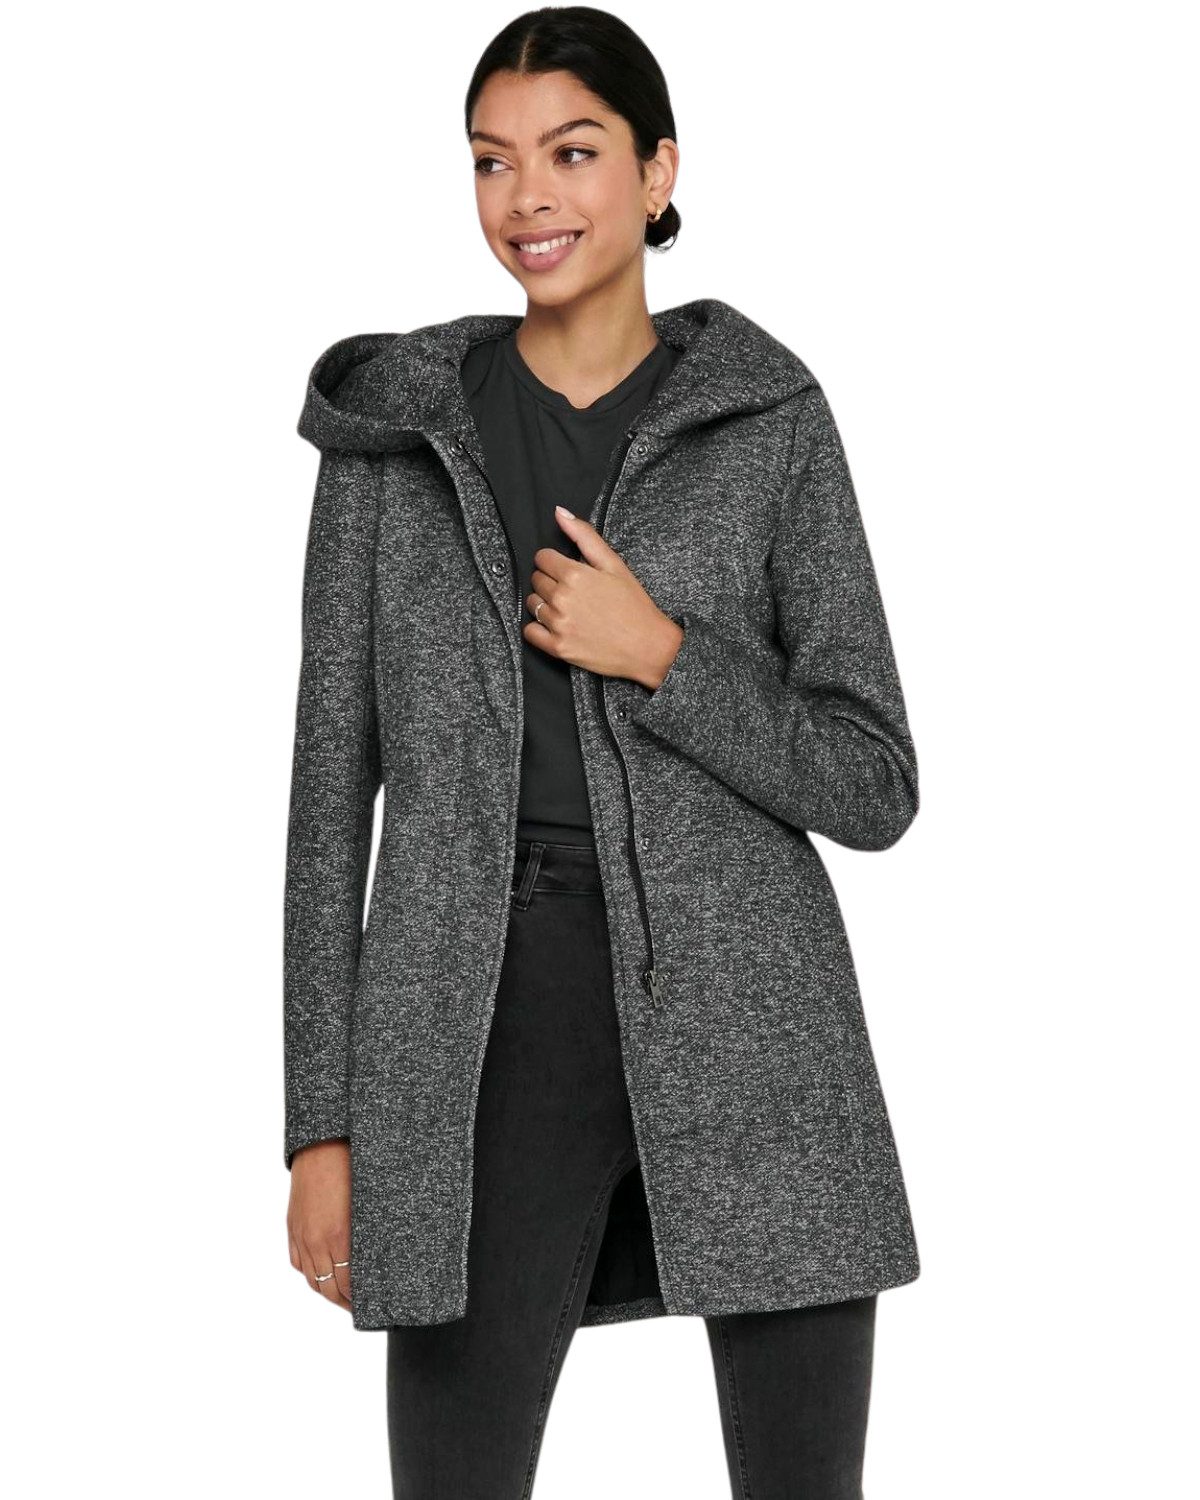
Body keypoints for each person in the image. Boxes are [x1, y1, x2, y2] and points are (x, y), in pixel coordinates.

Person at [283, 8, 920, 1497]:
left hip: (757, 1018)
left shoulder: (769, 420)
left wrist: (666, 658)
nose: (529, 199)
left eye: (572, 153)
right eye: (492, 161)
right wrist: (322, 1125)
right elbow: (326, 803)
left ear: (657, 171)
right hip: (475, 1019)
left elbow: (873, 779)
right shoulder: (394, 441)